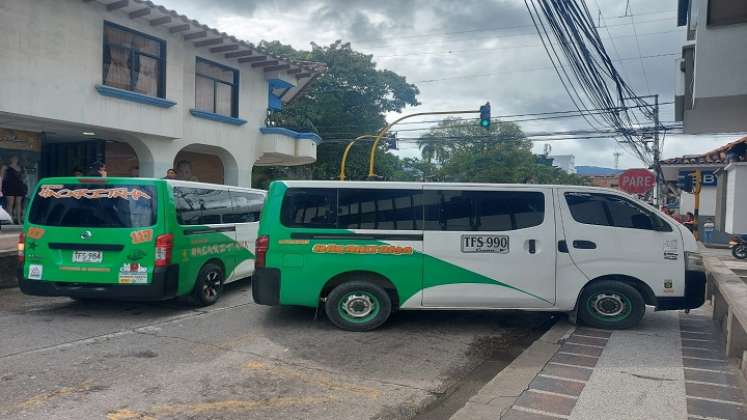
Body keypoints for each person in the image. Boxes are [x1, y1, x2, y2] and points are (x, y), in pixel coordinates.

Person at [1, 156, 27, 224]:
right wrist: (0, 188)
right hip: (9, 186)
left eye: (16, 158)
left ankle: (19, 220)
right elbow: (1, 178)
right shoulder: (6, 167)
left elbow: (24, 178)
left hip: (19, 186)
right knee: (10, 203)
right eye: (13, 157)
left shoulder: (21, 167)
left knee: (19, 203)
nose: (15, 159)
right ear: (10, 159)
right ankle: (10, 220)